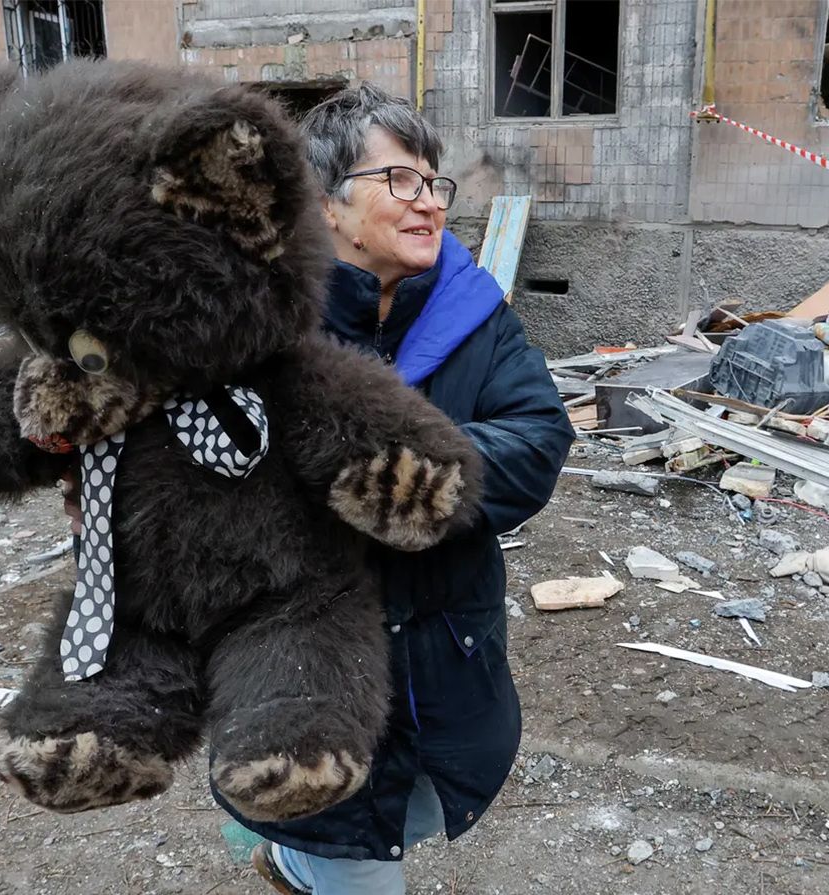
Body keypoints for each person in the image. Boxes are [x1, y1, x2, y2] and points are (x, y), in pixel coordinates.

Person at [240, 85, 573, 894]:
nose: (429, 202)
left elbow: (539, 437)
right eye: (402, 182)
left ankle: (289, 859)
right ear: (328, 207)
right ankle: (307, 857)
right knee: (351, 841)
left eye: (434, 183)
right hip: (310, 662)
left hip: (446, 641)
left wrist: (390, 476)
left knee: (422, 801)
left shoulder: (473, 311)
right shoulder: (259, 325)